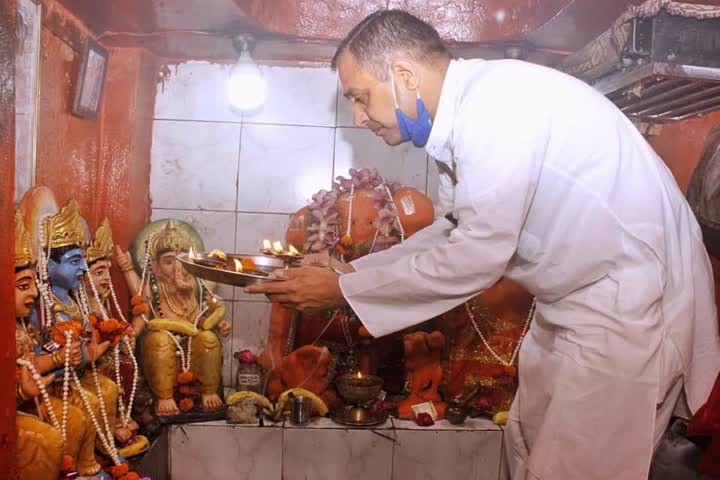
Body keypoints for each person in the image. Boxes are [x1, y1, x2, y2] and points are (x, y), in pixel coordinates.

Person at [246, 9, 720, 479]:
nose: (358, 116)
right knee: (527, 447)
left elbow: (475, 257)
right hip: (578, 305)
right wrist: (348, 274)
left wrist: (339, 293)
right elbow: (454, 231)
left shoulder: (496, 109)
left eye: (361, 97)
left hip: (628, 307)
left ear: (404, 75)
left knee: (575, 469)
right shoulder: (470, 115)